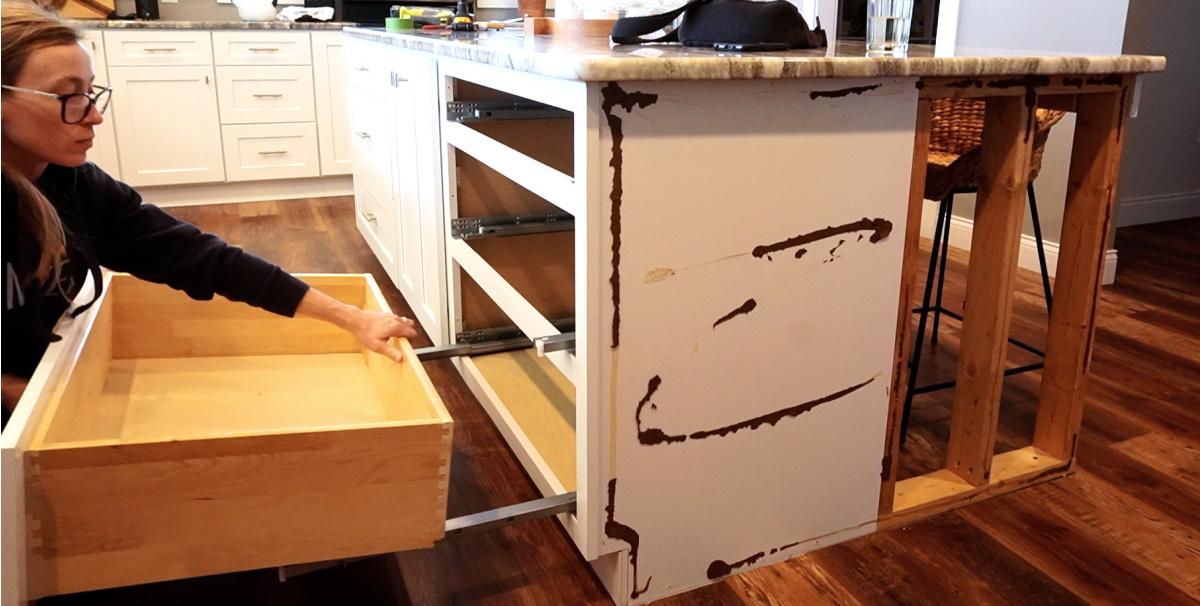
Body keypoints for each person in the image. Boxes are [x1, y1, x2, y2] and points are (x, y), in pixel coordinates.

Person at [1, 0, 418, 425]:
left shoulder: (74, 186)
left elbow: (199, 257)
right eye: (66, 96)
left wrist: (352, 318)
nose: (93, 116)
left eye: (90, 93)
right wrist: (18, 397)